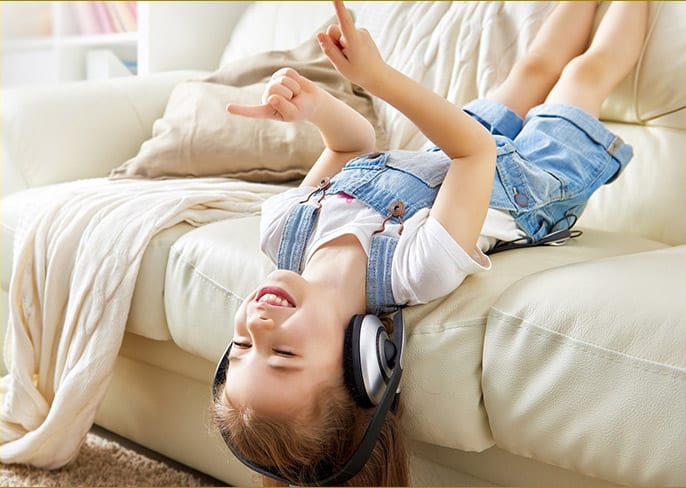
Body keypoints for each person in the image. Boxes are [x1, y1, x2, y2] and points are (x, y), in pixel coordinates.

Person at [211, 1, 648, 485]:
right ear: (360, 360)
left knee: (532, 67)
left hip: (447, 150)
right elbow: (474, 152)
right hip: (531, 183)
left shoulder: (285, 233)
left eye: (242, 345)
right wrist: (378, 78)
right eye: (283, 354)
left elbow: (350, 147)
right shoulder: (412, 271)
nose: (259, 324)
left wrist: (314, 109)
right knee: (585, 72)